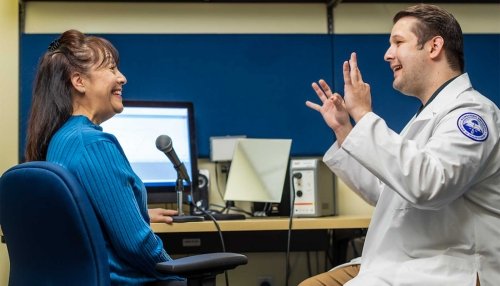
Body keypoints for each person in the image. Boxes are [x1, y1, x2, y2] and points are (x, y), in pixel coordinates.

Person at [300, 4, 499, 286]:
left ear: (434, 47)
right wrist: (345, 130)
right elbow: (386, 192)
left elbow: (428, 185)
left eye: (398, 42)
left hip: (449, 268)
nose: (387, 54)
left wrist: (364, 115)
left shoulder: (472, 115)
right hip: (402, 262)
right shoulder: (427, 116)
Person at [25, 29, 186, 285]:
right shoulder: (93, 144)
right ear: (79, 81)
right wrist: (178, 273)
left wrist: (135, 214)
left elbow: (85, 217)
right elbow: (137, 245)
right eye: (111, 69)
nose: (122, 77)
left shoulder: (60, 140)